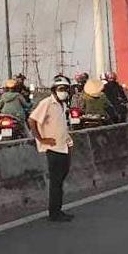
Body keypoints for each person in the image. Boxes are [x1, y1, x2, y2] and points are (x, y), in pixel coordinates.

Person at [28, 75, 75, 222]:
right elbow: (32, 120)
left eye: (65, 89)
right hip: (53, 148)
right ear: (54, 90)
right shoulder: (46, 103)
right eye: (61, 89)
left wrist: (69, 142)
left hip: (64, 146)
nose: (64, 92)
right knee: (55, 181)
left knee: (61, 179)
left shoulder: (62, 105)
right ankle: (54, 212)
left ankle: (58, 210)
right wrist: (41, 139)